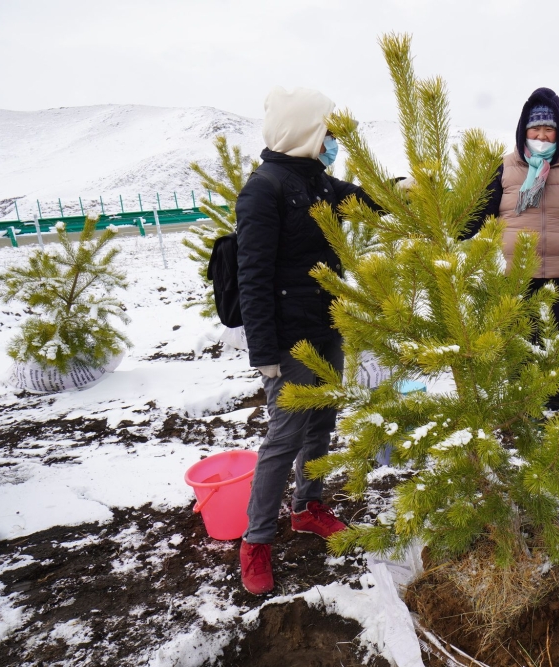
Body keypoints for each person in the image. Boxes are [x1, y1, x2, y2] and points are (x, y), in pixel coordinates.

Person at [235, 86, 379, 595]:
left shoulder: (318, 182)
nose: (334, 142)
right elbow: (252, 274)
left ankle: (308, 507)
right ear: (305, 130)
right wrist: (264, 355)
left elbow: (364, 201)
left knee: (322, 421)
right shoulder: (264, 188)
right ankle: (255, 542)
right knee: (283, 438)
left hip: (325, 325)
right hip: (287, 340)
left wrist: (400, 191)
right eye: (329, 133)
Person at [466, 87, 559, 412]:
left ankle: (554, 395)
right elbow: (479, 213)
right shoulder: (505, 167)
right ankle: (522, 402)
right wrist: (449, 230)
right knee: (521, 339)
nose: (542, 135)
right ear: (524, 130)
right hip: (517, 271)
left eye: (549, 128)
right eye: (536, 128)